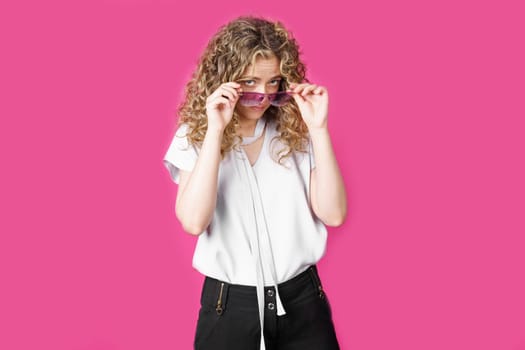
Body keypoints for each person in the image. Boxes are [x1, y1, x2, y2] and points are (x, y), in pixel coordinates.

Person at [163, 15, 347, 350]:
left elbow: (333, 214)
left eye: (273, 82)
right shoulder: (195, 136)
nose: (262, 95)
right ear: (224, 80)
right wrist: (216, 131)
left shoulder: (297, 130)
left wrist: (319, 128)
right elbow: (193, 221)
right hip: (229, 306)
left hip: (302, 300)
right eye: (248, 83)